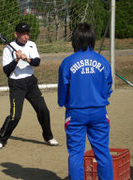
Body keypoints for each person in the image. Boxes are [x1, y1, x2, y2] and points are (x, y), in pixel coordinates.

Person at [58, 23, 113, 180]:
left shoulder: (67, 62)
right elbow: (108, 86)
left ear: (74, 40)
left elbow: (63, 88)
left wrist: (62, 102)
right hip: (99, 112)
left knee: (75, 153)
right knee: (103, 152)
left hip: (76, 113)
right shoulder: (102, 61)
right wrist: (101, 98)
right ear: (92, 38)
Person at [0, 22, 58, 149]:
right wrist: (16, 60)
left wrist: (27, 59)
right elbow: (6, 71)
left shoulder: (32, 45)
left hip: (31, 83)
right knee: (15, 116)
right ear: (16, 34)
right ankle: (1, 139)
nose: (26, 37)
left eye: (27, 34)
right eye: (23, 34)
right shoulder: (8, 49)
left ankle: (48, 137)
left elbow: (37, 62)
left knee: (43, 110)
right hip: (17, 84)